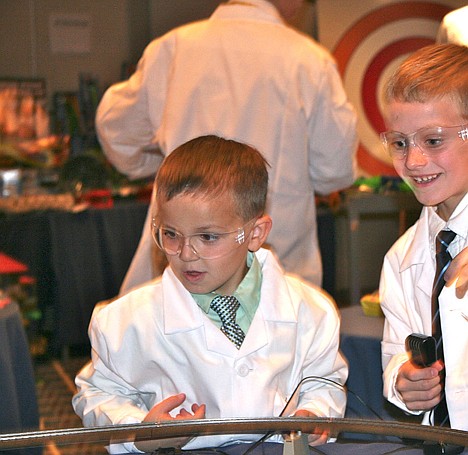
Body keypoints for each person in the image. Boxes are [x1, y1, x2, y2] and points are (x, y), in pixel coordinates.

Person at [72, 135, 348, 454]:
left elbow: (324, 380)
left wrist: (314, 413)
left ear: (255, 234)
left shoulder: (311, 311)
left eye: (208, 237)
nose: (186, 253)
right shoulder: (123, 321)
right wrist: (138, 431)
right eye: (171, 234)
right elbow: (97, 394)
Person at [96, 0, 358, 293]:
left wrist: (163, 167)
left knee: (169, 333)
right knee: (270, 332)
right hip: (275, 265)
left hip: (181, 262)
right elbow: (335, 171)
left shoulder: (172, 48)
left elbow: (116, 129)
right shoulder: (309, 60)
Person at [379, 44, 468, 431]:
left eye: (433, 141)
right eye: (400, 143)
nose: (413, 162)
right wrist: (402, 381)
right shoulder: (401, 258)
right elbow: (397, 348)